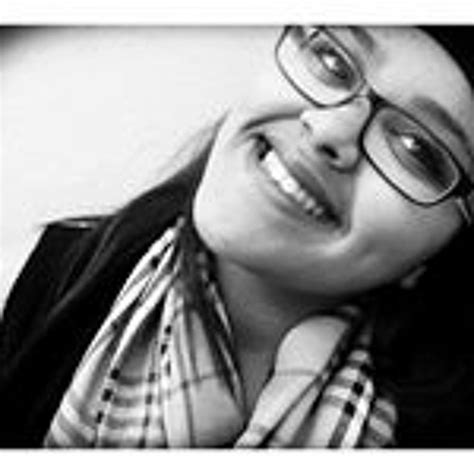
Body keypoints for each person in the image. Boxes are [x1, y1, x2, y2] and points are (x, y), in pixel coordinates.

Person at [1, 25, 474, 448]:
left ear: (444, 250)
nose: (329, 129)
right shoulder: (40, 273)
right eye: (332, 60)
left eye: (417, 149)